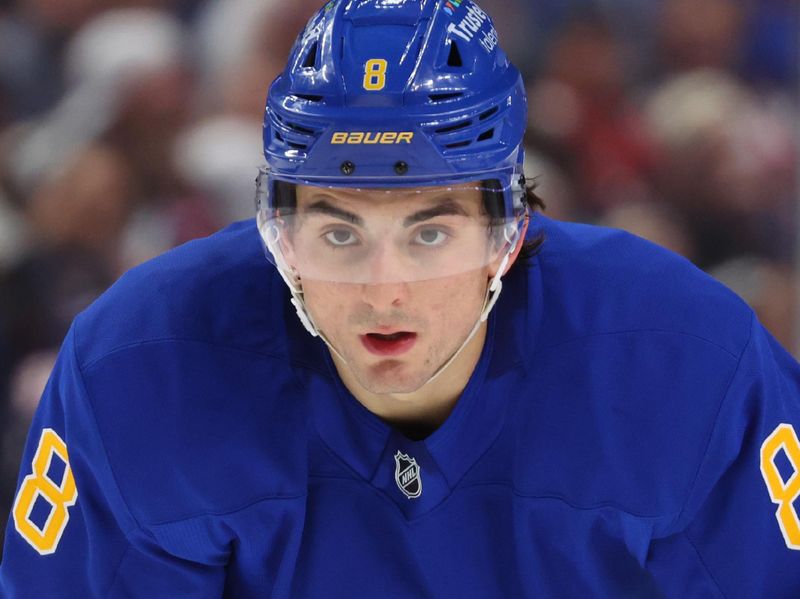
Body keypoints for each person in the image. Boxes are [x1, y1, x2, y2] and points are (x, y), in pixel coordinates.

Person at [1, 0, 799, 596]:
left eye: (430, 231)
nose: (386, 289)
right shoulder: (139, 369)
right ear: (279, 230)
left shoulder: (687, 361)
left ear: (508, 232)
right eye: (340, 232)